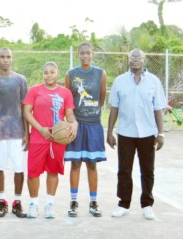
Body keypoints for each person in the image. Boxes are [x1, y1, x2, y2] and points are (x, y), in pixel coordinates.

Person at [107, 49, 166, 220]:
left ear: (144, 60)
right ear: (128, 61)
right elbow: (114, 108)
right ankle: (123, 204)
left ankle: (147, 204)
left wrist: (161, 133)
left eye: (138, 58)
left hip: (148, 133)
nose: (135, 61)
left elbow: (158, 109)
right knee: (124, 170)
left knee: (147, 170)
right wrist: (110, 132)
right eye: (132, 58)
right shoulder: (120, 81)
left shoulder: (154, 81)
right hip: (126, 132)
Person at [23, 62, 77, 218]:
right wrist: (40, 129)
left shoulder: (65, 93)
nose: (49, 75)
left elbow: (70, 114)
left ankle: (49, 205)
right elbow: (26, 112)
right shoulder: (35, 90)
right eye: (46, 72)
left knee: (53, 171)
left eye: (52, 72)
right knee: (33, 173)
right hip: (38, 138)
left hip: (57, 139)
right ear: (43, 74)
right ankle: (33, 204)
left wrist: (74, 123)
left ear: (57, 74)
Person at [0, 47, 28, 218]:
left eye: (8, 56)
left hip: (17, 132)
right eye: (2, 57)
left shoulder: (20, 80)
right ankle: (2, 202)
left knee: (19, 168)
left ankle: (17, 202)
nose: (5, 60)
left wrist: (27, 133)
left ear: (12, 59)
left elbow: (25, 108)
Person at [64, 42, 107, 217]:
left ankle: (93, 202)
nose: (85, 56)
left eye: (88, 52)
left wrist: (92, 111)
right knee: (75, 164)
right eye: (82, 53)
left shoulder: (100, 73)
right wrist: (71, 121)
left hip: (93, 124)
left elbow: (102, 97)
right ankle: (73, 202)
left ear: (93, 54)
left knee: (91, 164)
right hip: (76, 124)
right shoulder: (71, 74)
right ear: (78, 54)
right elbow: (67, 100)